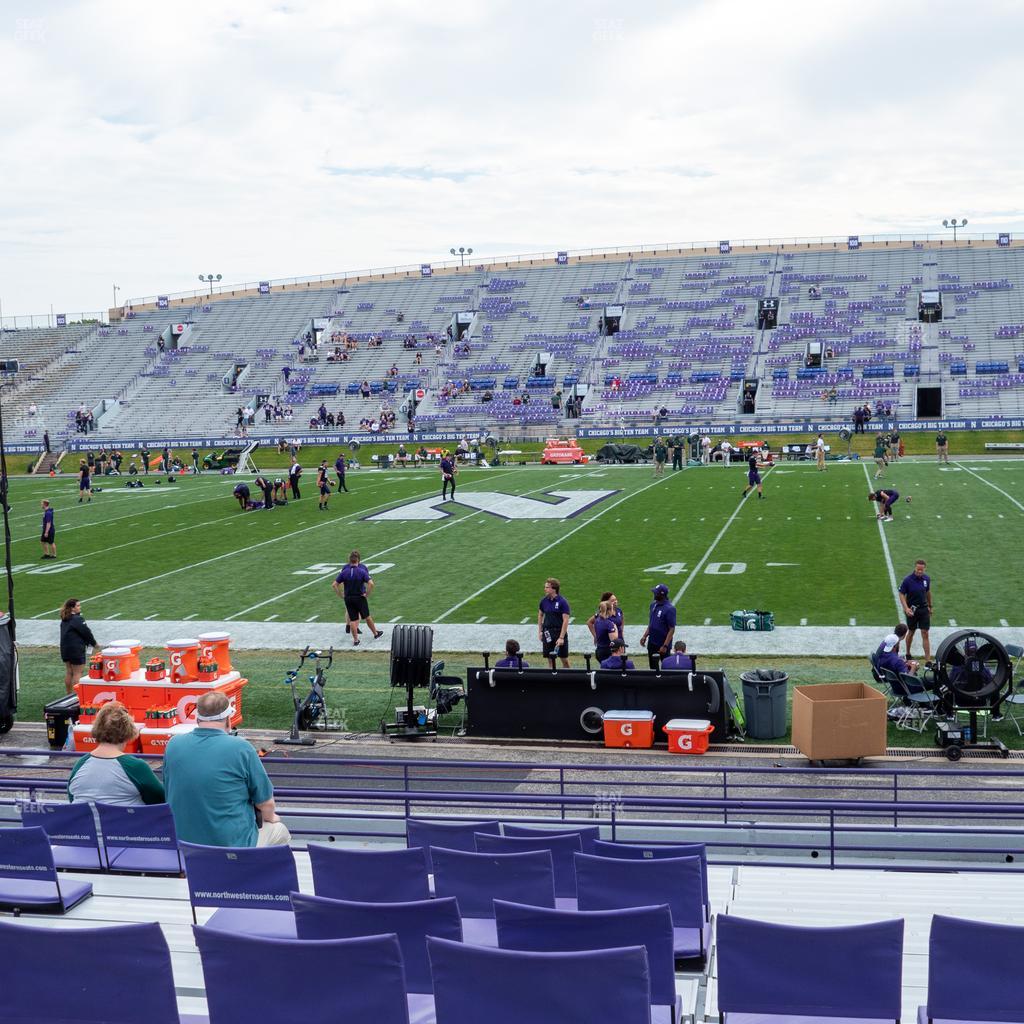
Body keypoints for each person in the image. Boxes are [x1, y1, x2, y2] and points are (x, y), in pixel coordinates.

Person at [164, 692, 285, 847]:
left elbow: (169, 791)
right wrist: (271, 817)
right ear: (228, 719)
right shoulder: (241, 748)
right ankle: (253, 870)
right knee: (280, 830)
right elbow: (265, 803)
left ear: (197, 718)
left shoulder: (174, 745)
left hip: (184, 845)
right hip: (231, 847)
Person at [68, 702, 165, 806]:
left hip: (85, 821)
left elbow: (72, 797)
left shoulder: (81, 763)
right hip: (126, 821)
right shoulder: (134, 767)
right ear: (128, 731)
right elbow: (160, 799)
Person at [333, 550, 384, 646]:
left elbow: (334, 584)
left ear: (349, 560)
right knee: (367, 617)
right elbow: (371, 584)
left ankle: (356, 640)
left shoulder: (344, 571)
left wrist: (340, 594)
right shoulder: (361, 571)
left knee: (352, 620)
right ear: (358, 560)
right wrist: (367, 594)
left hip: (348, 598)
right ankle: (375, 633)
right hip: (359, 597)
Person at [59, 598, 97, 695]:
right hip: (76, 650)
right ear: (72, 608)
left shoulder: (64, 618)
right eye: (78, 606)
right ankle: (77, 696)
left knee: (69, 672)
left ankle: (69, 694)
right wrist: (94, 643)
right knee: (77, 673)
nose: (80, 607)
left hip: (65, 649)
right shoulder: (77, 619)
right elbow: (86, 632)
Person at [899, 559, 933, 661]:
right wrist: (906, 608)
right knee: (911, 631)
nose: (920, 571)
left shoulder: (926, 579)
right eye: (918, 569)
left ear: (924, 569)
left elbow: (927, 592)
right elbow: (901, 594)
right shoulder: (907, 580)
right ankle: (908, 653)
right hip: (912, 610)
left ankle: (928, 659)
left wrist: (930, 606)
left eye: (922, 570)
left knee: (925, 633)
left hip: (923, 609)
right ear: (915, 568)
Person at [640, 583, 676, 669]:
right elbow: (651, 623)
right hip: (652, 642)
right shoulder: (653, 605)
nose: (654, 594)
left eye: (656, 593)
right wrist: (645, 636)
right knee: (652, 668)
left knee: (666, 668)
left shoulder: (670, 609)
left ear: (661, 595)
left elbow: (672, 629)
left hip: (662, 644)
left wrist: (665, 646)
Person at [538, 577, 571, 669]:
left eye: (547, 587)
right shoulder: (543, 601)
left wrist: (561, 637)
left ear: (554, 589)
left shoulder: (562, 602)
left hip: (558, 632)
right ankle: (552, 680)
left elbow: (565, 620)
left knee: (564, 659)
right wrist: (540, 631)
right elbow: (540, 615)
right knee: (550, 659)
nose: (545, 589)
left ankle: (569, 679)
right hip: (547, 632)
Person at [588, 600, 619, 665]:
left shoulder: (597, 618)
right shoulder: (609, 624)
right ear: (609, 611)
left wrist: (595, 636)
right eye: (612, 609)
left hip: (599, 651)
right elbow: (614, 640)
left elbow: (589, 622)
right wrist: (615, 628)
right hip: (607, 652)